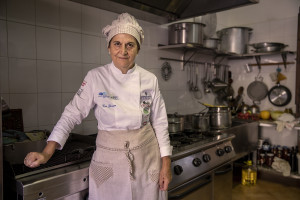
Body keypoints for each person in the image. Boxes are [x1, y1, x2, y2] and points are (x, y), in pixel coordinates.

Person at [24, 13, 173, 200]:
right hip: (109, 160)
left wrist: (166, 164)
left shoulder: (150, 79)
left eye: (130, 45)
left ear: (138, 49)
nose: (123, 51)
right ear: (109, 48)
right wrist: (47, 152)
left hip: (147, 159)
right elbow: (72, 114)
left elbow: (160, 122)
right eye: (117, 44)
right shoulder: (95, 77)